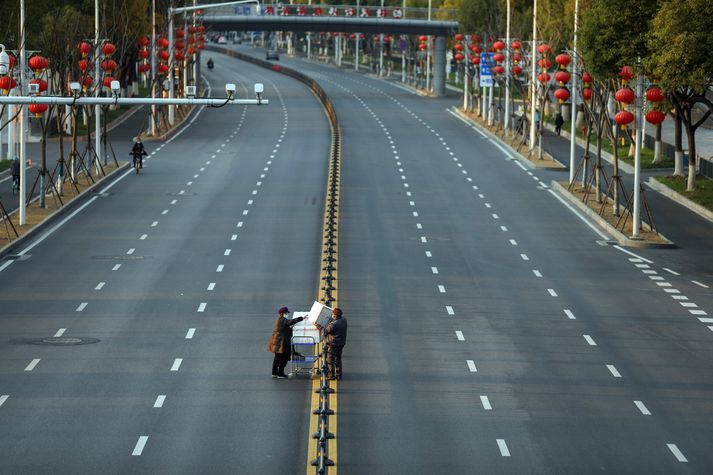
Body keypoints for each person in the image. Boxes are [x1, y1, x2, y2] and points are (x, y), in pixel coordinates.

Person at [267, 307, 304, 379]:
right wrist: (301, 318)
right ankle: (280, 374)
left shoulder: (279, 320)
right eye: (286, 313)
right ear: (282, 313)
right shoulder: (282, 320)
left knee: (277, 358)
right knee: (284, 357)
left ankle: (274, 373)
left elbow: (286, 327)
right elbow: (290, 322)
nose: (287, 314)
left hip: (277, 342)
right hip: (282, 343)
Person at [323, 307, 347, 381]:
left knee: (330, 360)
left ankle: (331, 375)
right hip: (341, 343)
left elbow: (325, 331)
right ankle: (339, 375)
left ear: (335, 316)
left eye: (333, 314)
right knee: (338, 359)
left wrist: (318, 325)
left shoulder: (334, 324)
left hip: (333, 344)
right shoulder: (344, 320)